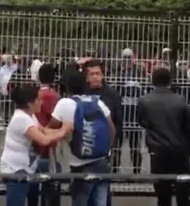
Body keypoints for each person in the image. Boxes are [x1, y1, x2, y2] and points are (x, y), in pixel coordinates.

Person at [50, 70, 115, 206]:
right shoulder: (98, 102)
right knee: (100, 202)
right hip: (102, 161)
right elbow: (112, 128)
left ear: (66, 86)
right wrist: (105, 149)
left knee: (81, 201)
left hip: (80, 164)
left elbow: (51, 127)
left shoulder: (64, 103)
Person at [137, 68, 190, 206]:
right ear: (170, 81)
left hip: (157, 149)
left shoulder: (144, 101)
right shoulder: (179, 100)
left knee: (162, 191)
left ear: (152, 80)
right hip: (179, 148)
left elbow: (142, 122)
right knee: (182, 188)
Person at [0, 85, 70, 206]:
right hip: (15, 170)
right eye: (38, 99)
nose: (41, 102)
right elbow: (43, 139)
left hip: (25, 170)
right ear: (29, 103)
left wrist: (65, 132)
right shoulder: (21, 119)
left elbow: (43, 131)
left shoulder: (30, 116)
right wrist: (63, 131)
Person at [82, 60, 123, 173]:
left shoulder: (112, 94)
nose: (95, 77)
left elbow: (118, 120)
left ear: (103, 75)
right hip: (85, 143)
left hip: (106, 143)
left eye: (98, 73)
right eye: (92, 74)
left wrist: (113, 142)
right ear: (87, 76)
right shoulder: (82, 93)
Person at [29, 63, 61, 206]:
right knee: (51, 181)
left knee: (33, 179)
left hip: (34, 141)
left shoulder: (35, 96)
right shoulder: (55, 96)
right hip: (51, 144)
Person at [116, 50, 148, 174]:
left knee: (135, 147)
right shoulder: (119, 74)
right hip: (122, 115)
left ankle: (137, 173)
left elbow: (145, 91)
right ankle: (115, 172)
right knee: (117, 147)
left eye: (129, 57)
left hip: (135, 116)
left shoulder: (139, 74)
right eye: (125, 57)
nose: (127, 60)